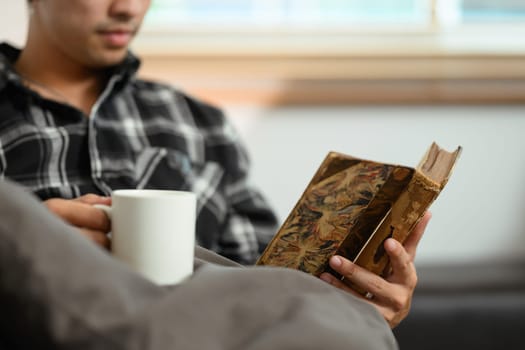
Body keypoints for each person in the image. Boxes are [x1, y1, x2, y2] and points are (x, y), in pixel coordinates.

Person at [0, 0, 431, 328]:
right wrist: (19, 250)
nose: (127, 8)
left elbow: (268, 281)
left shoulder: (199, 123)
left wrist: (360, 304)